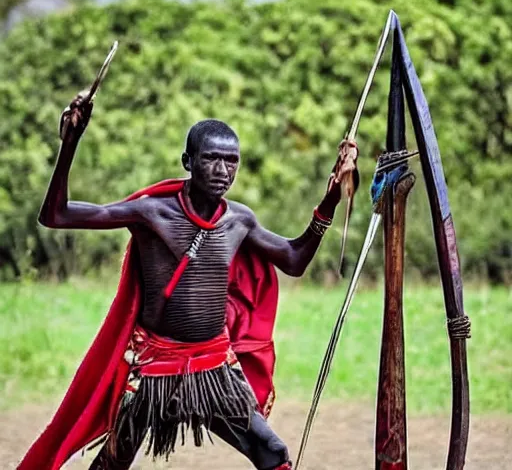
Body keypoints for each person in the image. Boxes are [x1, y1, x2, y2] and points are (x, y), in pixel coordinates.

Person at [19, 91, 350, 470]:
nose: (223, 171)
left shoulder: (239, 220)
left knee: (272, 452)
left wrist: (329, 203)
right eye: (211, 159)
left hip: (213, 365)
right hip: (154, 366)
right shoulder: (151, 212)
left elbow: (293, 260)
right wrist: (70, 144)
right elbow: (56, 215)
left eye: (232, 161)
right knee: (112, 464)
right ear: (188, 162)